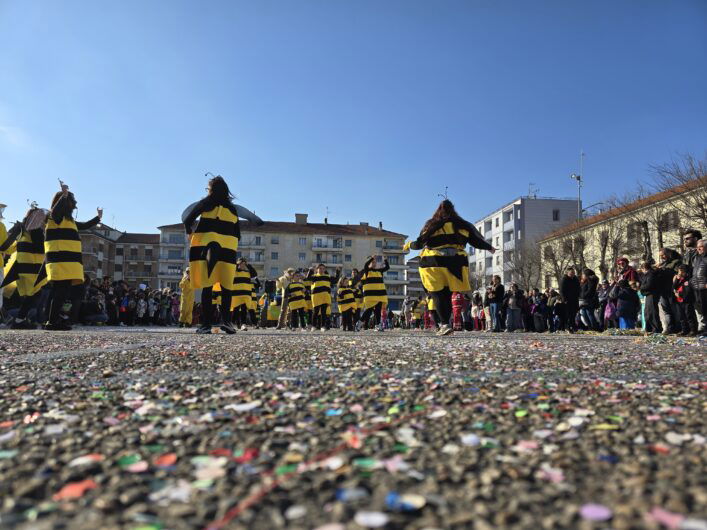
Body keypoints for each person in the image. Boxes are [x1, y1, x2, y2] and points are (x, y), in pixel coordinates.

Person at [183, 175, 262, 334]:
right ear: (227, 191)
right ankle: (227, 322)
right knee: (226, 287)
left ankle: (205, 325)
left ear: (210, 190)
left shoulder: (205, 204)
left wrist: (190, 232)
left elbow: (187, 218)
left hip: (207, 248)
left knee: (207, 285)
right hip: (227, 250)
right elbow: (239, 232)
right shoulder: (232, 209)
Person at [406, 200, 494, 336]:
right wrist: (489, 247)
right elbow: (475, 241)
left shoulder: (431, 225)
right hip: (456, 263)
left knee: (436, 293)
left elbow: (419, 243)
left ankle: (445, 324)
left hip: (434, 262)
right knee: (447, 295)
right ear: (453, 210)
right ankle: (445, 324)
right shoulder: (462, 225)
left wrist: (408, 245)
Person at [44, 182, 102, 330]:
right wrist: (63, 196)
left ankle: (52, 320)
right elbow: (55, 211)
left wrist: (97, 218)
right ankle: (52, 322)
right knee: (59, 293)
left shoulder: (69, 221)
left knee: (61, 293)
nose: (75, 203)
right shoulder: (55, 217)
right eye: (73, 200)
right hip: (60, 260)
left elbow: (84, 225)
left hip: (68, 262)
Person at [2, 206, 46, 328]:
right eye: (42, 217)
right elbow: (39, 248)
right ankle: (19, 321)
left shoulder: (23, 231)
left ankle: (20, 320)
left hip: (22, 268)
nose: (43, 220)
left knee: (30, 296)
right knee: (35, 295)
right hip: (31, 269)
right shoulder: (35, 230)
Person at [355, 256, 390, 332]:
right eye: (372, 262)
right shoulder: (366, 271)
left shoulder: (379, 271)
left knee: (378, 310)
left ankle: (378, 325)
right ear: (369, 263)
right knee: (368, 311)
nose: (374, 264)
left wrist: (386, 260)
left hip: (380, 294)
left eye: (375, 262)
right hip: (370, 295)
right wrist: (371, 258)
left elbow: (387, 267)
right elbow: (365, 265)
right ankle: (359, 323)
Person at [307, 263, 340, 331]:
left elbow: (336, 280)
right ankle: (313, 326)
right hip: (316, 296)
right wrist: (310, 270)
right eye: (320, 268)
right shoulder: (314, 276)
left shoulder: (327, 276)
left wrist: (338, 271)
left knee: (323, 312)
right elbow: (308, 278)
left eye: (323, 268)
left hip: (325, 296)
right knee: (315, 312)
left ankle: (323, 326)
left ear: (325, 269)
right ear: (317, 269)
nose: (321, 270)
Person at [231, 258, 258, 330]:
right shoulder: (234, 272)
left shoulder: (248, 272)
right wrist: (237, 264)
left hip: (246, 294)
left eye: (244, 264)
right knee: (235, 310)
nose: (242, 266)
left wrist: (247, 265)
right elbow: (232, 268)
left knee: (244, 310)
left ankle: (243, 324)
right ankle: (232, 324)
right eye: (241, 264)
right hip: (236, 294)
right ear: (238, 264)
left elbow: (255, 274)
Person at [673, 264, 697, 336]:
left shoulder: (689, 279)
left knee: (689, 315)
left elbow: (688, 291)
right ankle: (684, 330)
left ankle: (693, 330)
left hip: (687, 300)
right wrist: (677, 278)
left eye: (681, 271)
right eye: (679, 271)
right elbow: (674, 287)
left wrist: (679, 294)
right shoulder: (679, 279)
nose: (680, 273)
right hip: (679, 300)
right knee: (681, 316)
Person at [639, 261, 662, 333]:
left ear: (644, 268)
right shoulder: (647, 274)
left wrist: (640, 287)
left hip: (652, 294)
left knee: (652, 312)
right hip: (648, 294)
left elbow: (649, 285)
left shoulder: (651, 274)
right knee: (647, 312)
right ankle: (649, 328)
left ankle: (655, 328)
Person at [689, 239, 707, 336]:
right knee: (701, 309)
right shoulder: (697, 258)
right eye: (697, 247)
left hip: (704, 287)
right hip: (696, 287)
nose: (698, 249)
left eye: (701, 247)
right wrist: (692, 282)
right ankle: (704, 329)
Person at [560, 267, 580, 332]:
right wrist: (564, 299)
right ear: (567, 273)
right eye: (571, 273)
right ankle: (568, 327)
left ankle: (573, 326)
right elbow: (562, 290)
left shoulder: (575, 279)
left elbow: (578, 288)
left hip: (574, 299)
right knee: (568, 314)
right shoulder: (564, 279)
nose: (573, 274)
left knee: (573, 314)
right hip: (567, 300)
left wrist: (578, 296)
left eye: (573, 273)